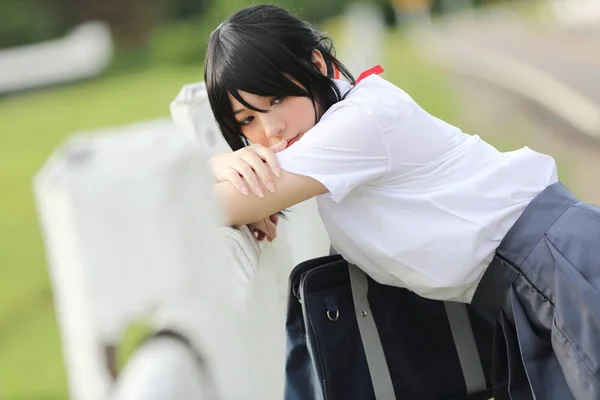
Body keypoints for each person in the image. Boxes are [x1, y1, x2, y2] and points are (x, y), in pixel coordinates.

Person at [203, 4, 600, 399]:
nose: (270, 130)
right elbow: (250, 197)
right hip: (535, 278)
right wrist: (239, 174)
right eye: (245, 121)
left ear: (316, 65)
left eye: (275, 99)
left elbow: (221, 204)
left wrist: (220, 166)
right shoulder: (342, 119)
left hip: (557, 269)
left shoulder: (358, 123)